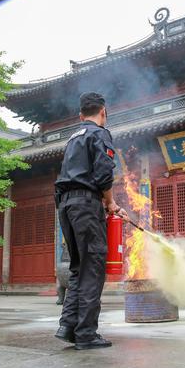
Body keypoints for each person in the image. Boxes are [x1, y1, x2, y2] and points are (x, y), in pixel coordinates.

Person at [54, 92, 128, 350]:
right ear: (103, 112)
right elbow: (104, 173)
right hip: (86, 205)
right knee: (93, 267)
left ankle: (68, 326)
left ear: (80, 115)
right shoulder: (99, 133)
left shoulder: (73, 138)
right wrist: (110, 203)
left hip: (65, 205)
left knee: (78, 267)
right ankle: (86, 333)